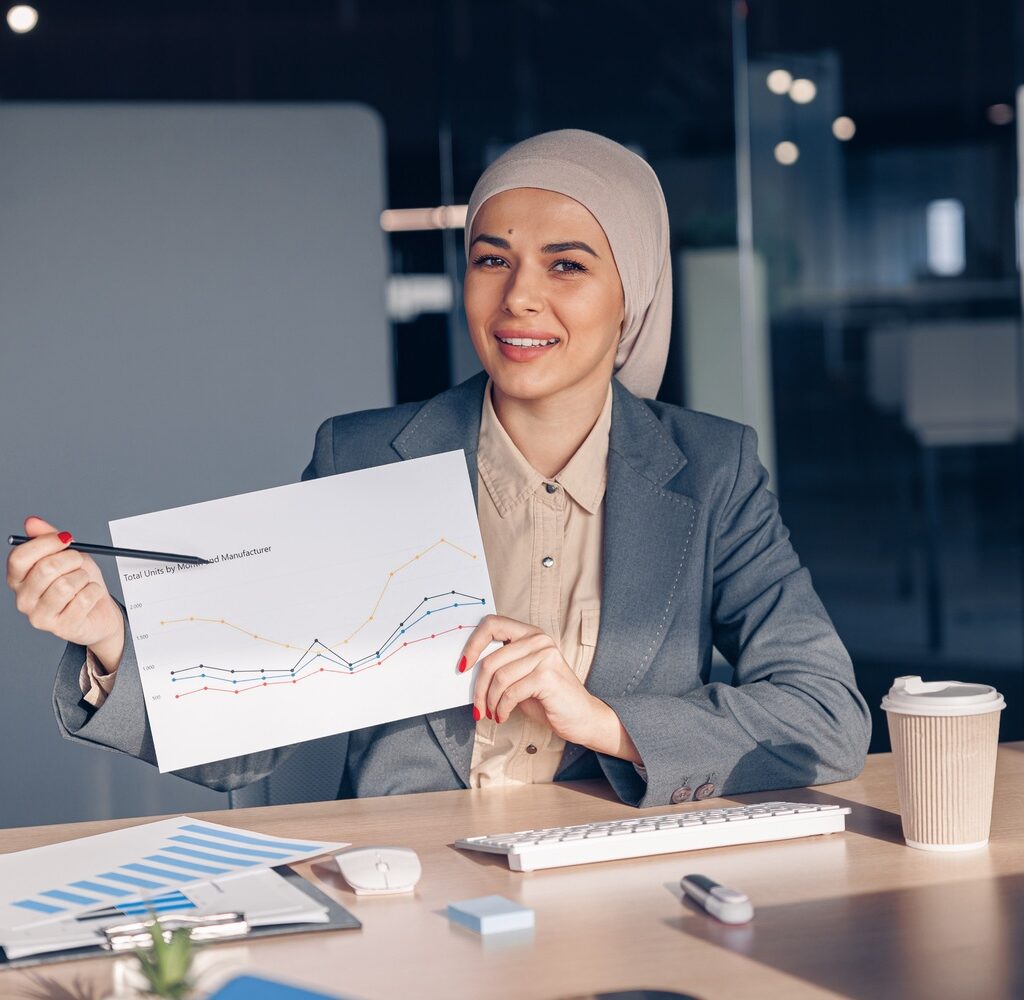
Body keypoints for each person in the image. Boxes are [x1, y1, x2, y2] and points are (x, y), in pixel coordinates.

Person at [6, 129, 870, 808]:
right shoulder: (361, 456)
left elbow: (826, 717)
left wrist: (606, 722)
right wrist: (114, 641)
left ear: (632, 296)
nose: (519, 296)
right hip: (409, 878)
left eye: (566, 264)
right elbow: (245, 745)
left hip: (618, 870)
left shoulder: (713, 469)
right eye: (492, 258)